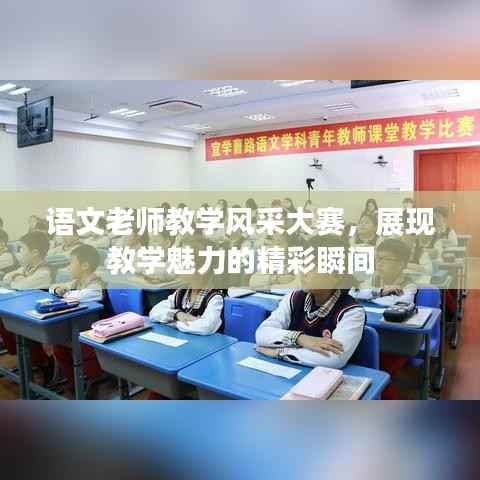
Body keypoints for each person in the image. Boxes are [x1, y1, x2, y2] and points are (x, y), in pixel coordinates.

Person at [255, 235, 365, 368]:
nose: (303, 272)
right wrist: (301, 339)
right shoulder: (294, 298)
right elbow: (261, 334)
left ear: (337, 275)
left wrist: (280, 352)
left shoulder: (351, 312)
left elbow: (334, 358)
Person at [49, 244, 108, 389]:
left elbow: (79, 297)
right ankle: (74, 383)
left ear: (85, 266)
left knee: (84, 348)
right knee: (59, 346)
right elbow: (53, 287)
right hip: (77, 326)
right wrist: (57, 289)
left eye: (71, 263)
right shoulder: (77, 282)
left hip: (94, 330)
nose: (68, 267)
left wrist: (65, 293)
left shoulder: (96, 284)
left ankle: (94, 379)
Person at [0, 231, 54, 384]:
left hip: (39, 317)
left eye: (22, 249)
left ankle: (44, 362)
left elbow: (18, 285)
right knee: (5, 323)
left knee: (16, 327)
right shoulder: (28, 267)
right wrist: (18, 277)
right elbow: (7, 278)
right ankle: (26, 357)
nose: (19, 253)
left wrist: (18, 279)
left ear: (35, 252)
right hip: (24, 310)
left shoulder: (44, 271)